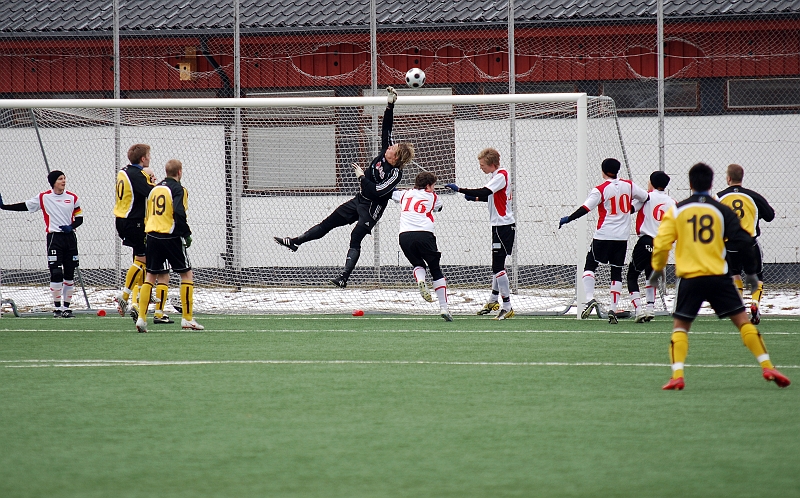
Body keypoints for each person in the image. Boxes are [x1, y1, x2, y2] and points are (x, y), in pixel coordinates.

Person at [649, 162, 789, 390]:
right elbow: (743, 239)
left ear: (691, 183)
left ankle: (677, 375)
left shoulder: (677, 210)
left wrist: (658, 269)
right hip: (719, 276)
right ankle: (767, 366)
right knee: (743, 322)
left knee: (680, 327)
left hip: (691, 278)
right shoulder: (721, 210)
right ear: (712, 183)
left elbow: (662, 243)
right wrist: (752, 273)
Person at [273, 87, 415, 288]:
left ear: (397, 157)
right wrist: (390, 105)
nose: (390, 147)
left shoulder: (395, 174)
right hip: (359, 201)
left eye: (393, 148)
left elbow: (373, 192)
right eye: (391, 146)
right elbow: (387, 129)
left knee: (355, 237)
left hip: (372, 208)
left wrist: (362, 177)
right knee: (327, 223)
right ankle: (295, 242)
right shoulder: (386, 152)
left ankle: (344, 278)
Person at [558, 158, 649, 324]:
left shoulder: (600, 189)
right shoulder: (629, 185)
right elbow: (645, 197)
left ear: (603, 170)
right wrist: (631, 209)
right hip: (621, 238)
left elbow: (585, 208)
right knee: (616, 273)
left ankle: (590, 298)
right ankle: (613, 309)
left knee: (590, 266)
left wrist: (569, 219)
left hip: (603, 235)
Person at [444, 147, 516, 320]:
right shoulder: (497, 176)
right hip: (500, 226)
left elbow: (485, 191)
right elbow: (489, 196)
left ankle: (507, 306)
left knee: (497, 266)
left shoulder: (500, 175)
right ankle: (493, 300)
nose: (480, 167)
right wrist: (475, 198)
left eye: (482, 164)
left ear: (492, 164)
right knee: (497, 266)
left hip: (503, 226)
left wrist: (460, 189)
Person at [0, 170, 83, 318]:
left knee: (69, 273)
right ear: (53, 182)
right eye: (60, 179)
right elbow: (25, 206)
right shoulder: (44, 197)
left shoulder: (72, 197)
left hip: (70, 239)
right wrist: (4, 206)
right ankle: (57, 309)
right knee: (56, 273)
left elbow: (79, 218)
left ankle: (67, 308)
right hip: (54, 239)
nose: (63, 181)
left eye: (64, 178)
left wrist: (71, 226)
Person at [135, 159, 203, 332]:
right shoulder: (177, 189)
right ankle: (187, 318)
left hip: (151, 235)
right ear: (179, 172)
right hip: (170, 236)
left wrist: (146, 234)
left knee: (150, 277)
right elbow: (179, 212)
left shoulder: (154, 189)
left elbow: (147, 212)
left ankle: (142, 318)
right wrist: (186, 233)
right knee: (186, 275)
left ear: (166, 172)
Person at [717, 163, 775, 325]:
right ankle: (755, 303)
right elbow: (770, 216)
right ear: (741, 178)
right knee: (757, 275)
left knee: (734, 274)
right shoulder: (753, 197)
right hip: (749, 244)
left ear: (728, 178)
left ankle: (739, 308)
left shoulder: (719, 197)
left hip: (729, 245)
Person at [392, 171, 451, 321]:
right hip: (424, 234)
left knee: (418, 263)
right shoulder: (433, 197)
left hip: (404, 236)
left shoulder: (404, 194)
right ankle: (444, 308)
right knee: (436, 270)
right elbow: (439, 208)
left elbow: (390, 192)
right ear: (428, 186)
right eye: (433, 186)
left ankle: (420, 280)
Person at [627, 171, 676, 323]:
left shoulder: (646, 197)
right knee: (650, 275)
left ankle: (638, 310)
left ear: (651, 183)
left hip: (646, 241)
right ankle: (650, 309)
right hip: (661, 244)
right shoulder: (672, 202)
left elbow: (629, 210)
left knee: (632, 275)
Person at [114, 144, 155, 318]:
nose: (150, 158)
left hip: (122, 219)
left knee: (139, 262)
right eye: (148, 155)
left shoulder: (124, 171)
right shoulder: (137, 175)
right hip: (133, 221)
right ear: (143, 159)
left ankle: (137, 303)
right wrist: (156, 183)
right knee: (142, 259)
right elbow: (151, 193)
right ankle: (124, 296)